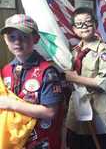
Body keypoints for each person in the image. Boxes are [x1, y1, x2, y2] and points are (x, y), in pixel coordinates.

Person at [0, 14, 64, 149]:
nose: (17, 42)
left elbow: (50, 112)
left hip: (40, 140)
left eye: (24, 36)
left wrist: (11, 104)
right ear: (5, 40)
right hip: (13, 140)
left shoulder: (47, 71)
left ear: (36, 38)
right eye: (12, 37)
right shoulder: (5, 71)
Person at [65, 7, 106, 149]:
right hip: (76, 106)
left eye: (88, 22)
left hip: (96, 108)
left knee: (95, 144)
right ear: (74, 29)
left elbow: (105, 81)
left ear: (95, 25)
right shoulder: (75, 51)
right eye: (79, 24)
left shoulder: (104, 50)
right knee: (75, 142)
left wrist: (75, 79)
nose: (84, 26)